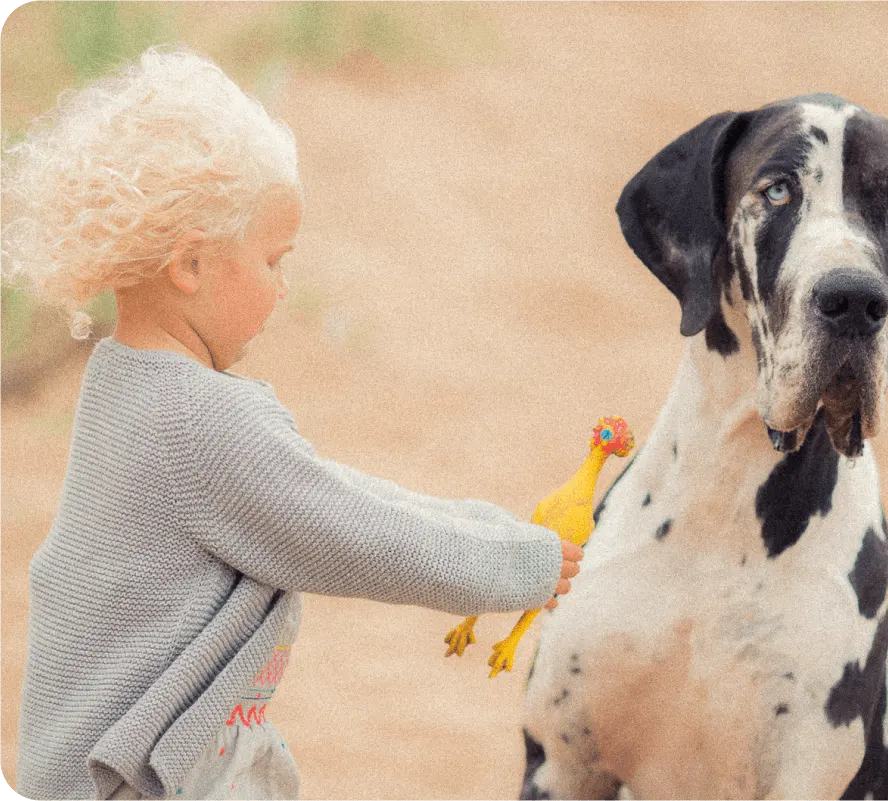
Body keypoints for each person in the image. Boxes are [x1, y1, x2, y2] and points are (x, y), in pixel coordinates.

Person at [0, 45, 581, 801]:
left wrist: (496, 529)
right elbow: (354, 531)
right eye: (274, 260)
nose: (282, 288)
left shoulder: (121, 385)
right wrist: (520, 564)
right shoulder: (199, 420)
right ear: (189, 265)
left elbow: (325, 494)